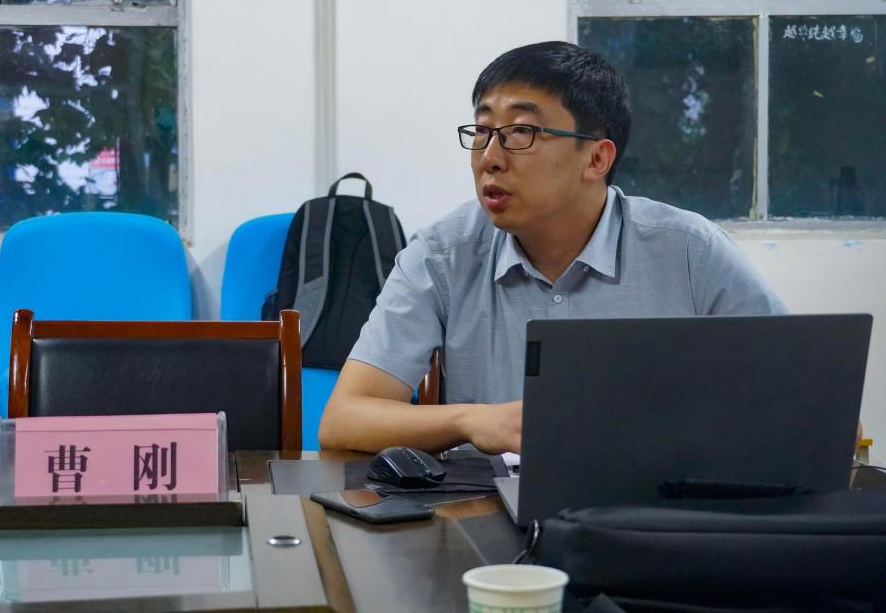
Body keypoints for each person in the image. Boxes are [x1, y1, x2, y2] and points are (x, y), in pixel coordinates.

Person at [317, 41, 786, 455]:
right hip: (490, 509)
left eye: (521, 133)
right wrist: (475, 421)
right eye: (482, 131)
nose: (489, 158)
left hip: (653, 505)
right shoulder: (443, 254)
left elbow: (799, 402)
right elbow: (343, 420)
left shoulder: (689, 251)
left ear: (597, 158)